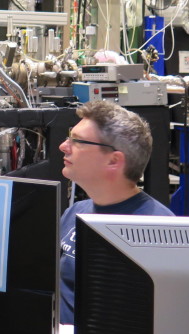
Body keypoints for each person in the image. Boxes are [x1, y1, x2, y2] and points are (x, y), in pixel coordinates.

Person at [58, 101, 174, 325]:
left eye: (77, 141)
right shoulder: (75, 213)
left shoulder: (159, 229)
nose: (64, 146)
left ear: (113, 160)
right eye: (68, 137)